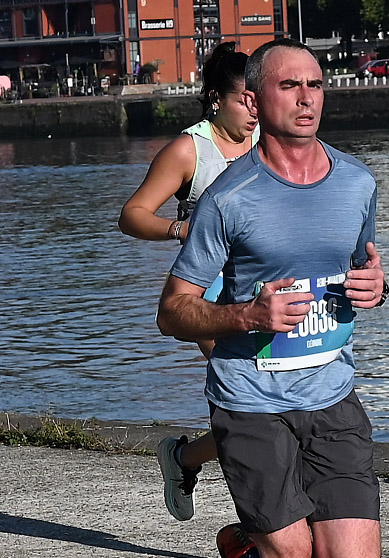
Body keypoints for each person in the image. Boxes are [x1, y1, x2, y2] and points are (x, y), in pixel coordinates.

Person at [157, 38, 388, 558]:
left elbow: (364, 269)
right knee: (292, 557)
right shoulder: (230, 198)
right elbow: (173, 310)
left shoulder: (356, 183)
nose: (308, 97)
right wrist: (247, 316)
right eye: (291, 86)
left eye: (316, 83)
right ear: (255, 101)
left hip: (332, 392)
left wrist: (378, 288)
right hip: (249, 398)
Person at [119, 42, 259, 522]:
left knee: (269, 410)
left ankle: (181, 459)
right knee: (252, 406)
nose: (254, 111)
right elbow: (132, 215)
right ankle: (263, 527)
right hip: (207, 295)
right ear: (216, 98)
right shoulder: (188, 150)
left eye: (259, 99)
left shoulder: (270, 143)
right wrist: (182, 229)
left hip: (263, 293)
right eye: (244, 100)